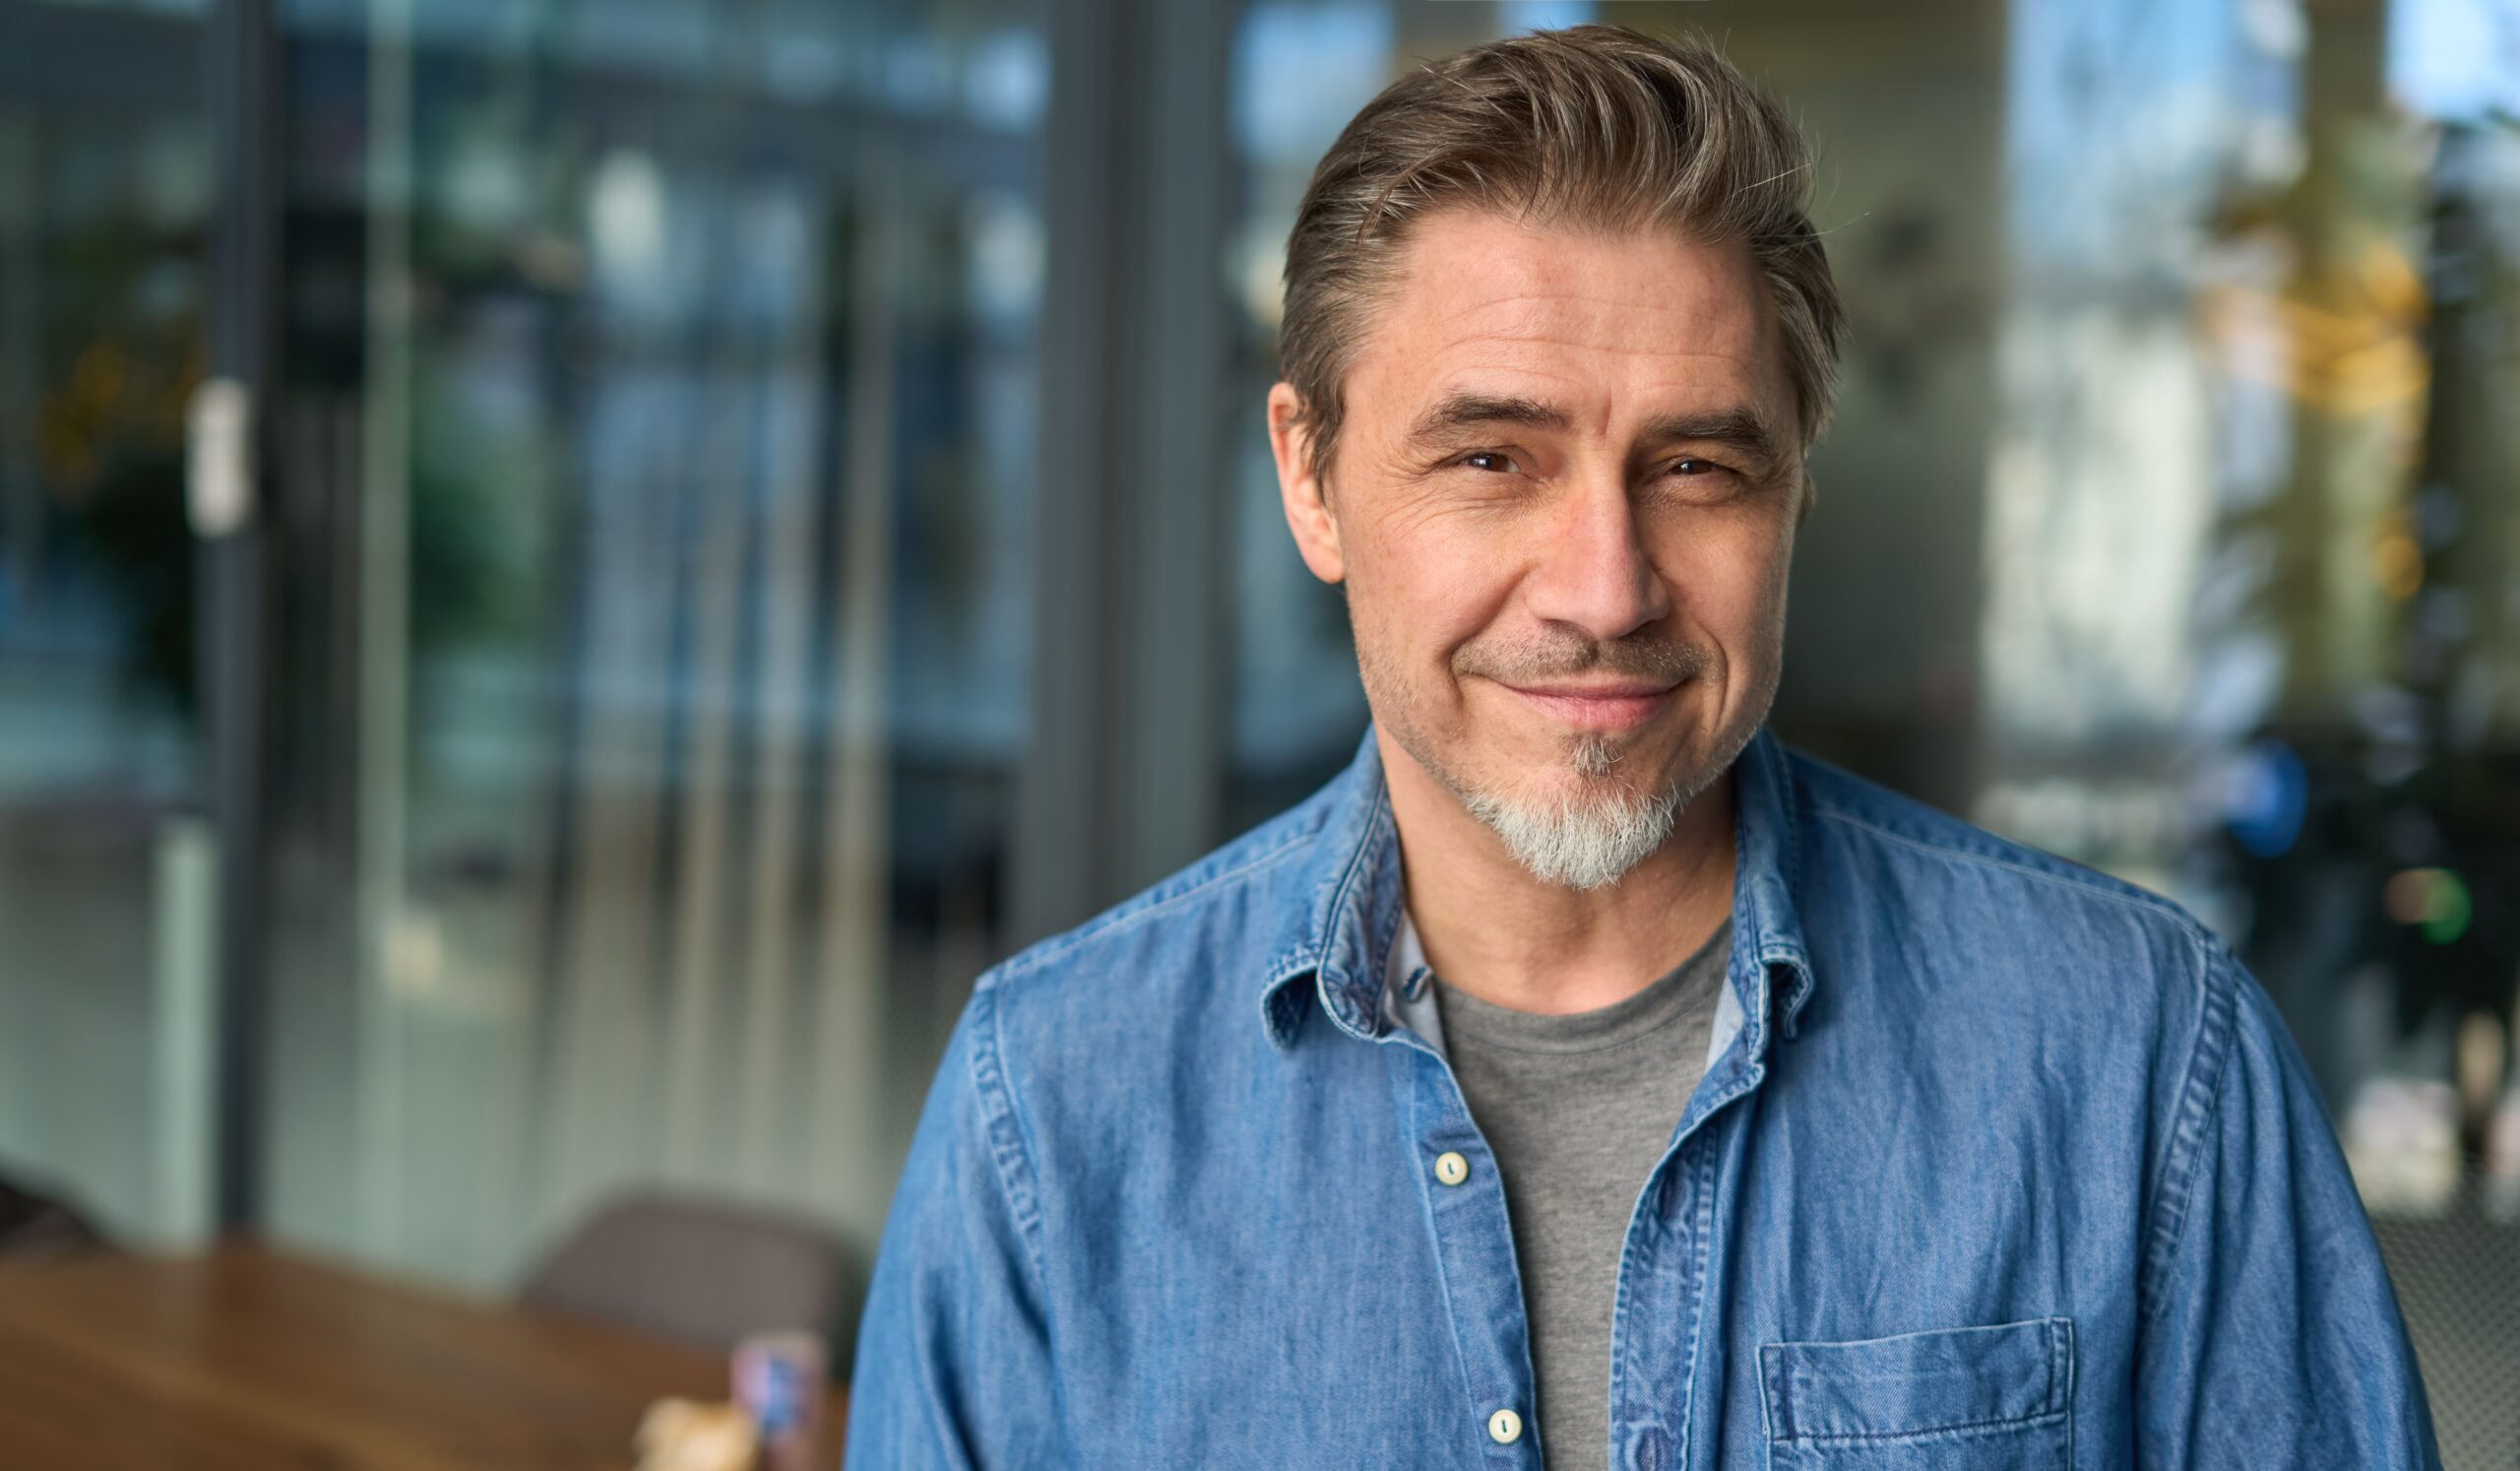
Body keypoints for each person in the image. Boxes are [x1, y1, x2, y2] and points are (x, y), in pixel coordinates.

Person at [847, 24, 2441, 1469]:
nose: (1607, 590)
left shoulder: (2140, 1060)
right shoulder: (1050, 1107)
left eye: (1694, 467)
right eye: (1492, 456)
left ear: (1795, 488)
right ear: (1313, 479)